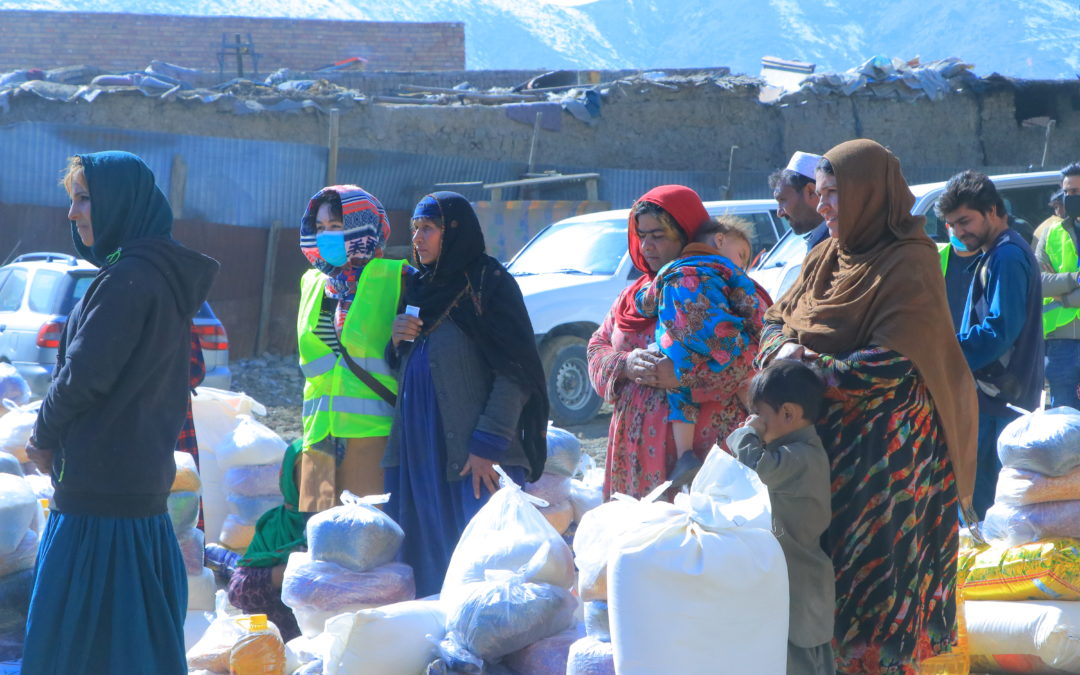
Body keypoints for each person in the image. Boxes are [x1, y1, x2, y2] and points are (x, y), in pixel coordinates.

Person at [758, 139, 978, 673]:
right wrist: (785, 352)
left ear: (868, 193)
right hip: (827, 457)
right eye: (818, 192)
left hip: (888, 467)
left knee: (877, 597)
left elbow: (892, 364)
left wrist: (803, 369)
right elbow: (773, 320)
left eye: (834, 193)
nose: (823, 205)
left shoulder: (909, 261)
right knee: (827, 592)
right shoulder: (827, 256)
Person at [23, 151, 219, 674]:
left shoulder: (127, 280)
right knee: (132, 643)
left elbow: (83, 376)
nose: (73, 213)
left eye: (84, 198)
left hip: (99, 500)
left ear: (120, 203)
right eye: (73, 200)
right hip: (137, 488)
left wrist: (41, 437)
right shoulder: (155, 275)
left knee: (80, 645)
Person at [383, 191, 549, 597]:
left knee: (482, 570)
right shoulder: (419, 287)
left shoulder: (488, 284)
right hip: (423, 450)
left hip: (474, 457)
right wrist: (396, 342)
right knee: (429, 559)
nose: (418, 239)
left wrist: (488, 445)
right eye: (415, 229)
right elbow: (411, 367)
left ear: (454, 231)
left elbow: (516, 373)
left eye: (429, 228)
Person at [587, 185, 755, 499]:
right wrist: (627, 364)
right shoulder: (632, 298)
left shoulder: (725, 288)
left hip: (708, 456)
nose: (647, 245)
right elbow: (597, 347)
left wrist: (683, 377)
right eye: (642, 235)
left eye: (658, 235)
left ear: (687, 234)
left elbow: (757, 358)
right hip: (636, 460)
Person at [937, 170, 1044, 519]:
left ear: (994, 210)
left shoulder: (1007, 256)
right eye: (952, 225)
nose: (958, 232)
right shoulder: (995, 253)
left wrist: (943, 353)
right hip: (990, 401)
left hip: (998, 403)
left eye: (965, 221)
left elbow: (999, 330)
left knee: (984, 509)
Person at [634, 216, 766, 487]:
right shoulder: (727, 269)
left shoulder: (669, 269)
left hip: (679, 349)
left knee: (680, 393)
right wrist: (756, 326)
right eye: (742, 254)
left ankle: (685, 456)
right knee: (744, 378)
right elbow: (748, 303)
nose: (743, 263)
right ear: (719, 241)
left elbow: (645, 303)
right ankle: (757, 431)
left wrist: (644, 303)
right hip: (722, 341)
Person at [296, 186, 404, 512]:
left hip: (369, 438)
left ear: (362, 227)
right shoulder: (313, 282)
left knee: (366, 545)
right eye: (320, 228)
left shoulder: (399, 280)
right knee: (318, 543)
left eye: (336, 227)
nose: (326, 236)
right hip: (317, 436)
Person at [728, 359, 833, 675]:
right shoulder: (794, 452)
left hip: (801, 582)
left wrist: (746, 434)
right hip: (793, 578)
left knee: (802, 659)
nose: (754, 422)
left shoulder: (801, 458)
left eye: (760, 415)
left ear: (788, 414)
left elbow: (755, 467)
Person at [206, 440, 310, 642]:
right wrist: (282, 574)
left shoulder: (342, 524)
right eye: (307, 472)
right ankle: (216, 555)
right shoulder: (274, 525)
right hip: (275, 649)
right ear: (289, 476)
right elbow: (239, 592)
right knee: (233, 565)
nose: (318, 481)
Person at [1036, 163, 1080, 410]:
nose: (1070, 197)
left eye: (1076, 192)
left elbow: (1051, 284)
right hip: (1060, 343)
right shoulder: (1052, 232)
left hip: (1060, 316)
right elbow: (1038, 283)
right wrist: (1075, 279)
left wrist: (1063, 297)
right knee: (1065, 423)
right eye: (1067, 192)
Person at [767, 151, 830, 299]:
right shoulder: (817, 240)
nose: (779, 213)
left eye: (782, 200)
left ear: (811, 191)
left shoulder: (840, 240)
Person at [937, 225, 980, 331]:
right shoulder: (932, 256)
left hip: (976, 343)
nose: (961, 231)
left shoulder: (993, 259)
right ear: (947, 226)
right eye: (953, 224)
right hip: (939, 342)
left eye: (966, 223)